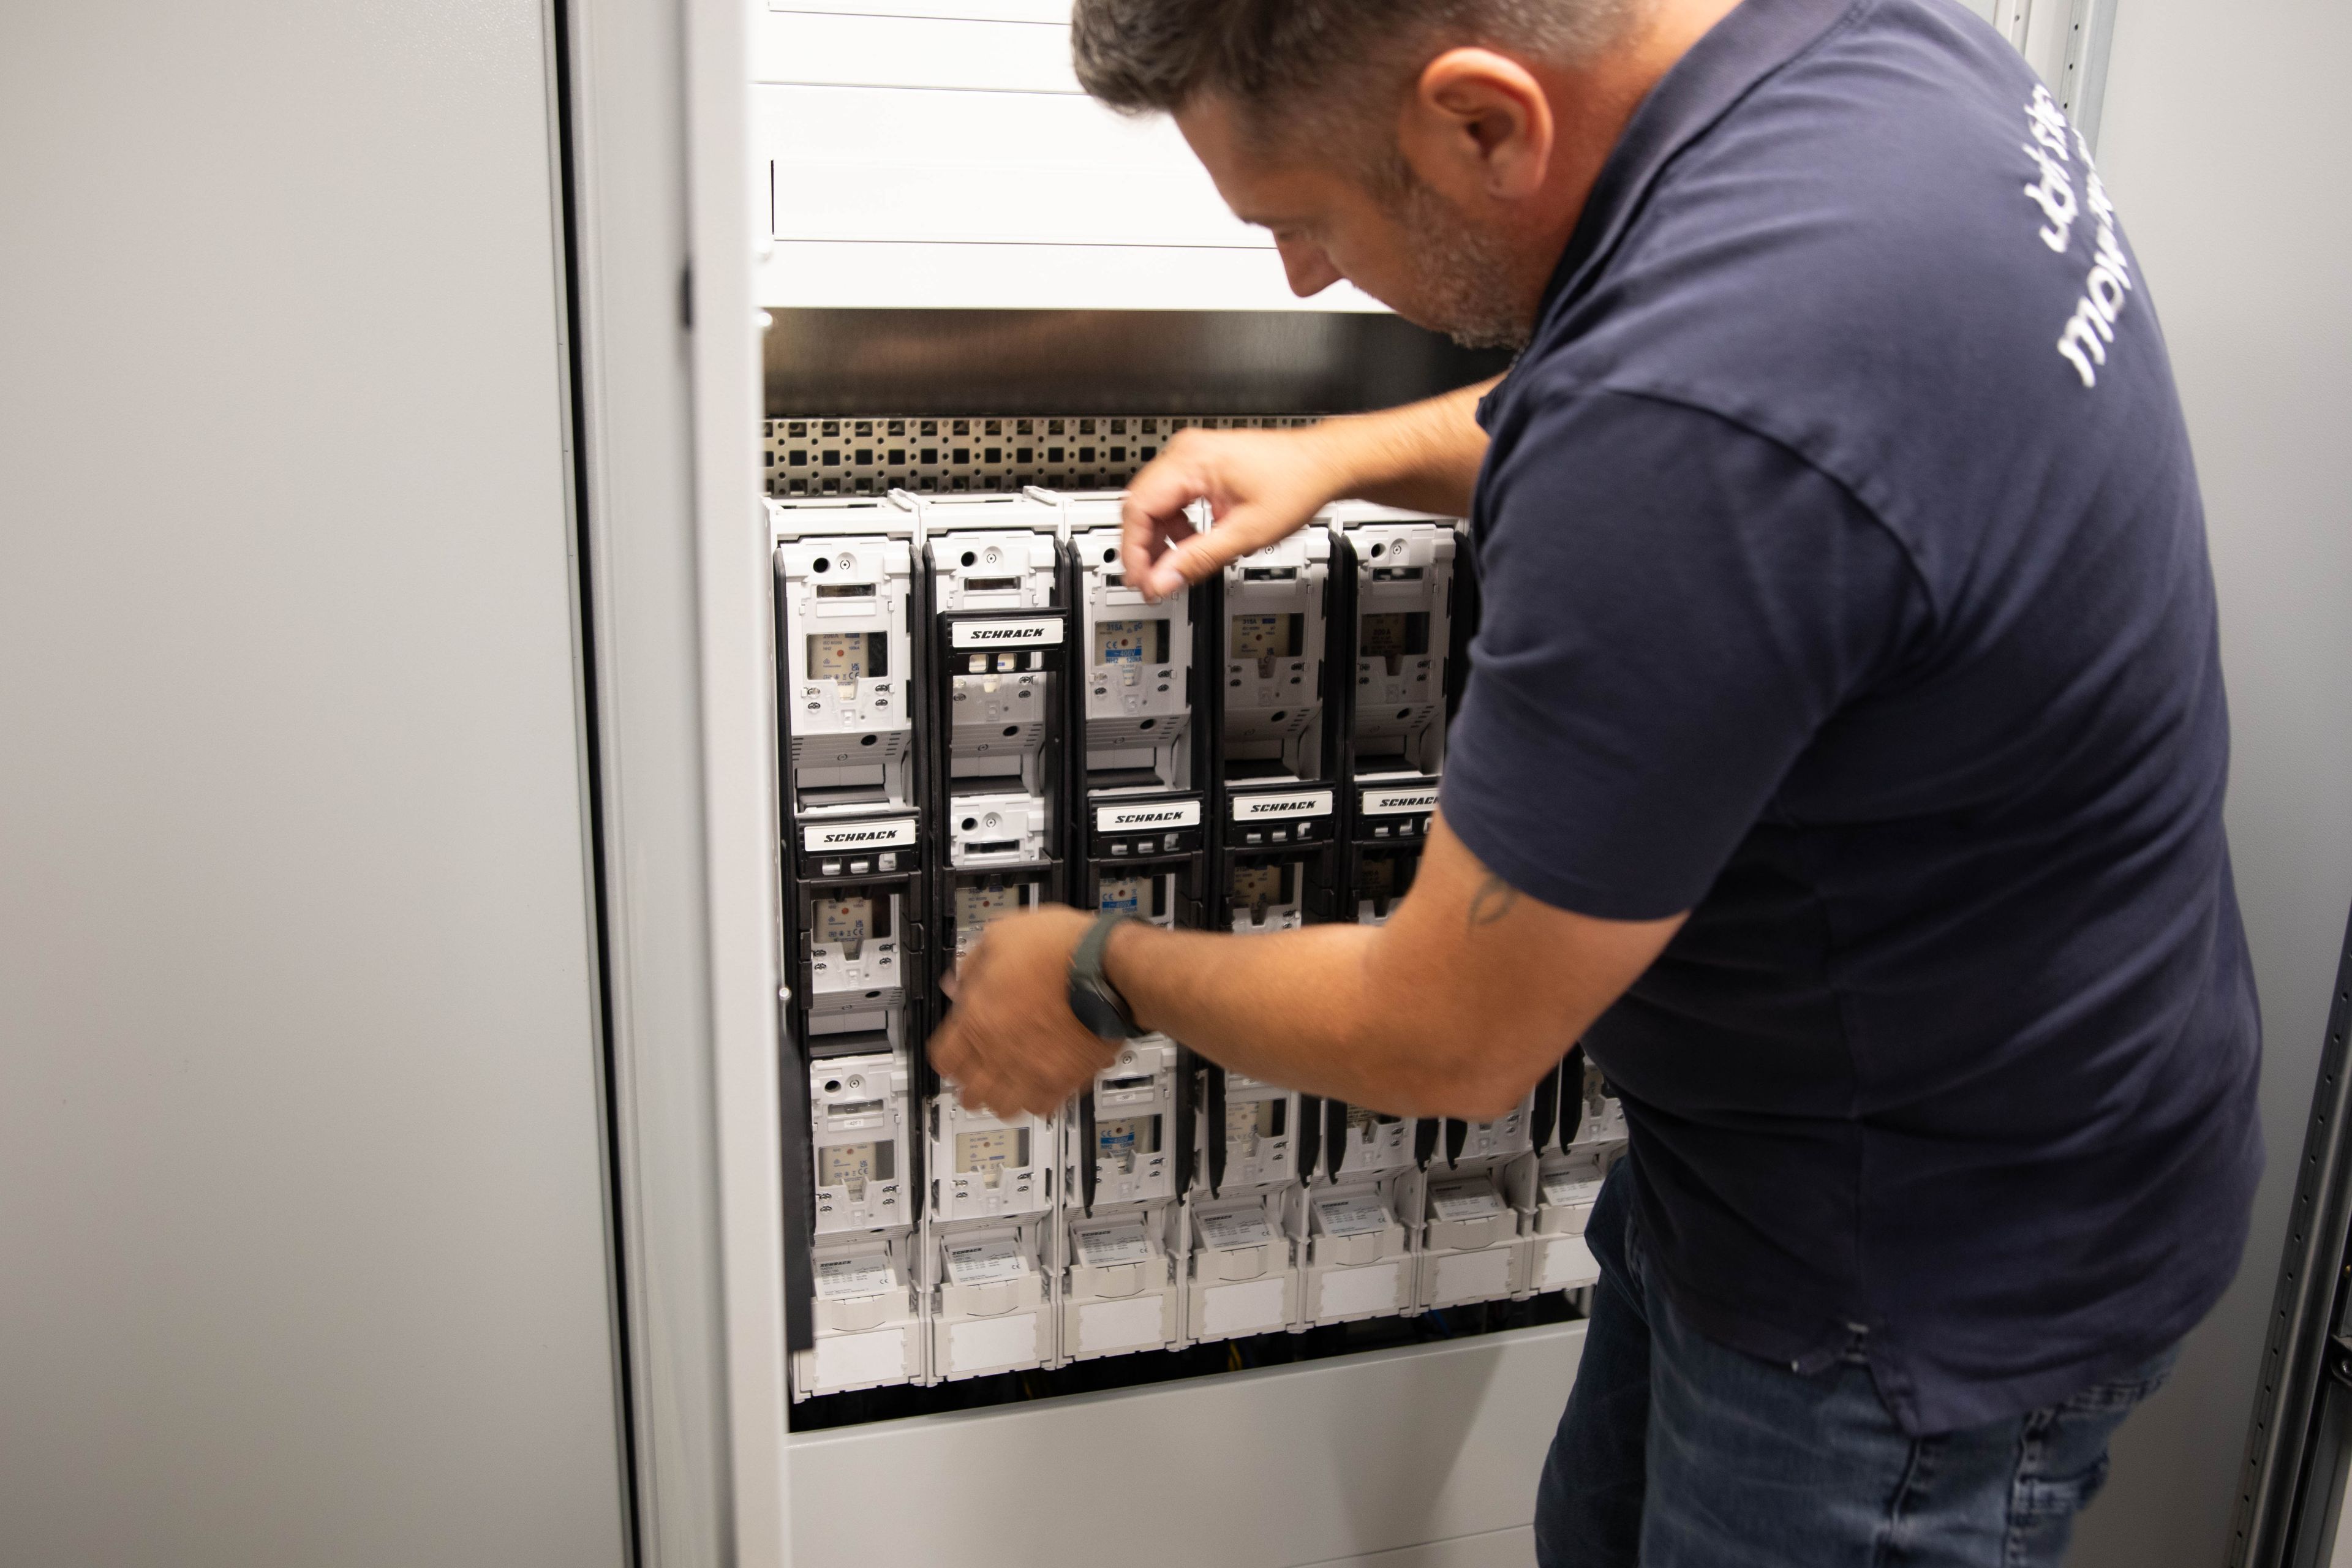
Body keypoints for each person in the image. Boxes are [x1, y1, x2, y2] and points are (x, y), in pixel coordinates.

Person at [928, 0, 2263, 1562]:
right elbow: (1711, 422)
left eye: (1305, 218)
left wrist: (1096, 968)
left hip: (1907, 1286)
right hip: (1837, 1141)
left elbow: (1452, 1031)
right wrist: (1345, 452)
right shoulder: (1868, 54)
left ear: (1481, 121)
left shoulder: (1698, 407)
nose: (1300, 275)